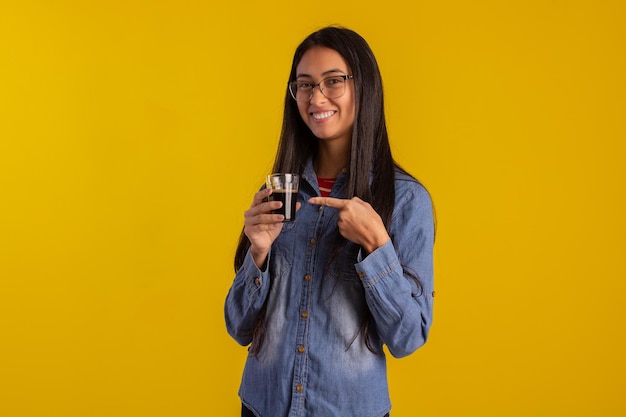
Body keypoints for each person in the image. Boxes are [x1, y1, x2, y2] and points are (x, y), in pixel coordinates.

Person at [224, 26, 435, 417]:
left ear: (363, 87)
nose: (316, 97)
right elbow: (238, 327)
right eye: (304, 85)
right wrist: (257, 254)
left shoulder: (405, 200)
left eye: (333, 81)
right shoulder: (277, 193)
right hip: (261, 406)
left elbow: (407, 337)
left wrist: (377, 248)